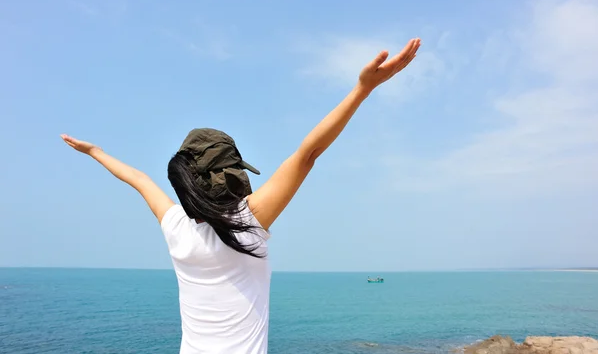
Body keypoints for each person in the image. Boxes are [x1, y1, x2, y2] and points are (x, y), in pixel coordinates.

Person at [61, 38, 421, 354]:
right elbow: (307, 154)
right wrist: (363, 89)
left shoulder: (174, 227)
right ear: (232, 174)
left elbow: (138, 179)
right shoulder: (248, 222)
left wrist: (95, 153)